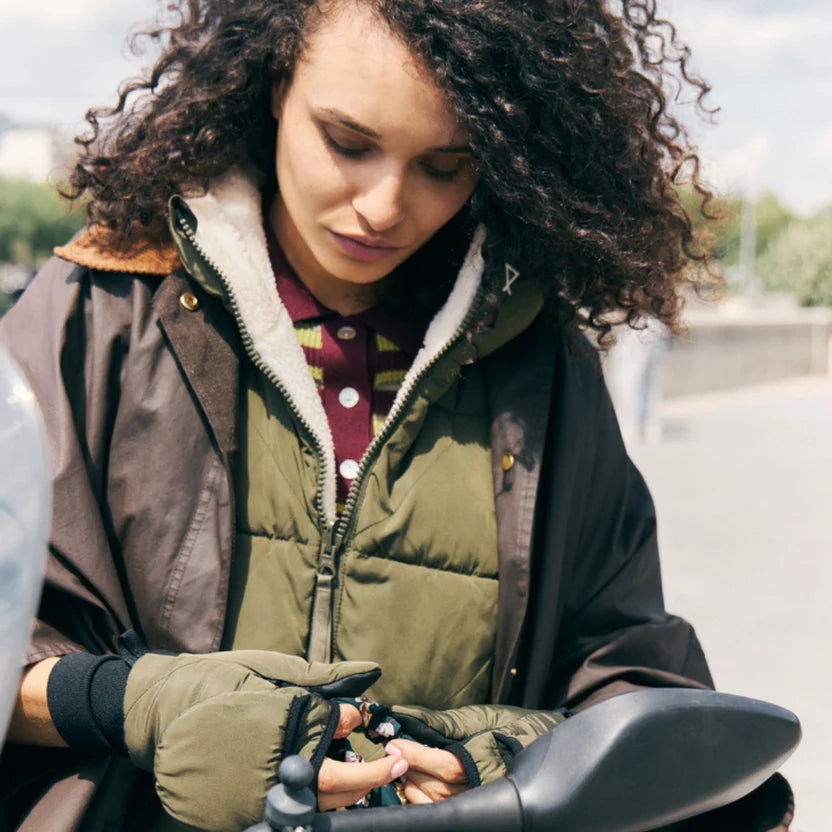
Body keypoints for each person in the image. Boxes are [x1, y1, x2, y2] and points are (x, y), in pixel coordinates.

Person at [0, 1, 793, 830]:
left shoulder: (542, 361)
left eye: (445, 166)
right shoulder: (96, 312)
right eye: (347, 142)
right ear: (275, 82)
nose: (384, 206)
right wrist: (146, 707)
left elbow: (631, 683)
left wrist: (495, 762)